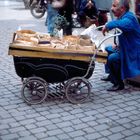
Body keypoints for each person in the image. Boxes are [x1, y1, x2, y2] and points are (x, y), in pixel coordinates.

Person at [102, 0, 140, 91]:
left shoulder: (129, 18)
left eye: (114, 6)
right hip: (125, 47)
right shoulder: (123, 16)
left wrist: (108, 25)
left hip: (132, 50)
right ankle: (111, 74)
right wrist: (118, 45)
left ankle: (118, 84)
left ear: (122, 8)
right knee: (107, 49)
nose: (111, 8)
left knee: (113, 58)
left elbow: (122, 24)